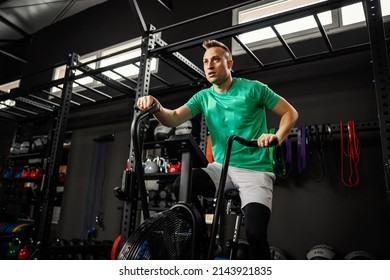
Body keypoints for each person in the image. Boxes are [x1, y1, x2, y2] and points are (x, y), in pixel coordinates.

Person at [136, 39, 298, 259]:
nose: (209, 66)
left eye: (215, 60)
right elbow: (173, 118)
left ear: (229, 63)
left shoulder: (253, 89)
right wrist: (156, 106)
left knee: (255, 234)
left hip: (256, 170)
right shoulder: (204, 97)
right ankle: (204, 243)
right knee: (181, 184)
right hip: (222, 167)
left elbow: (290, 113)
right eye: (205, 62)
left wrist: (277, 137)